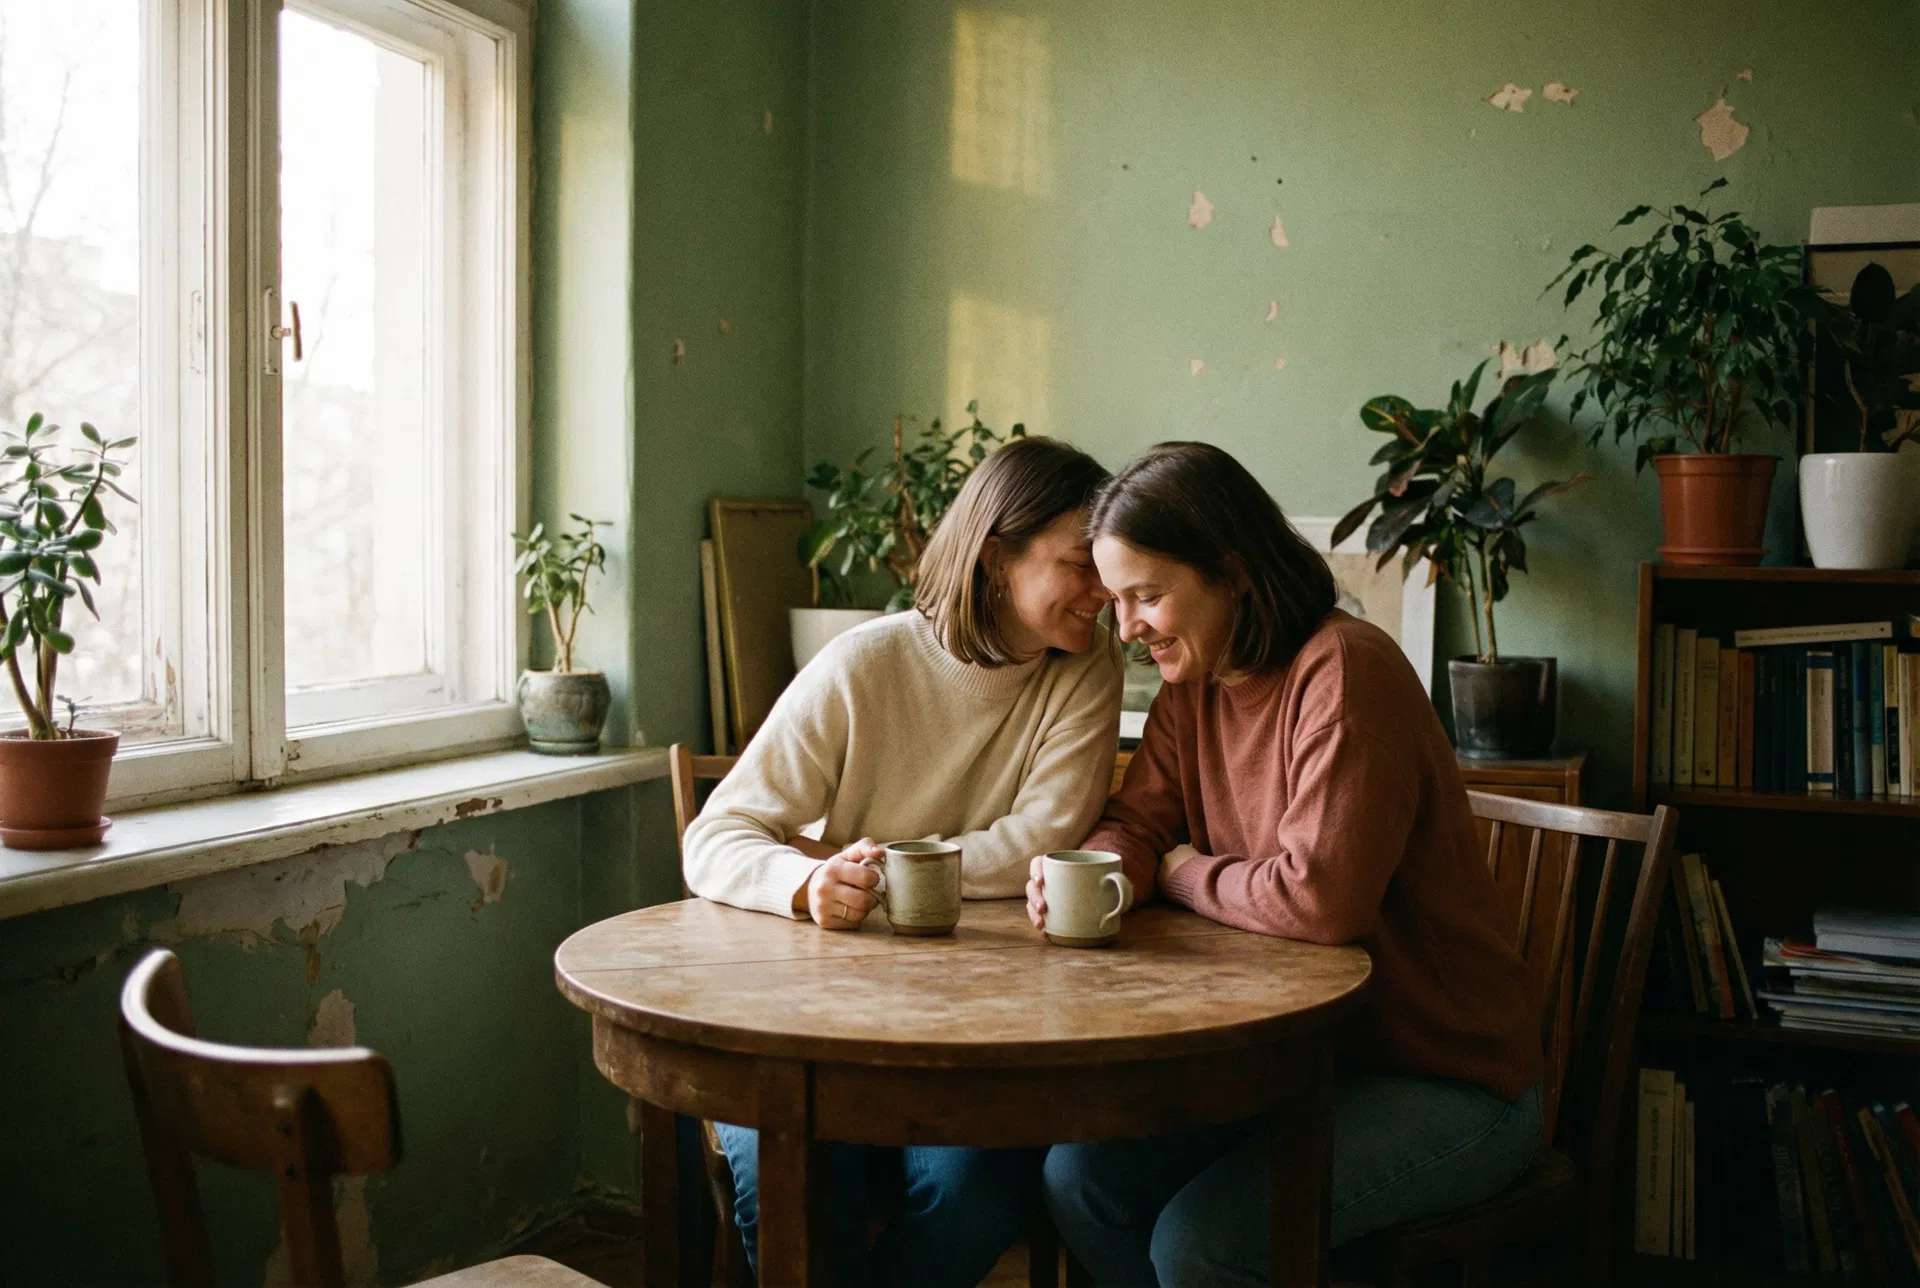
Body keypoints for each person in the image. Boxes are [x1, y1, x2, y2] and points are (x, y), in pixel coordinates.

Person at [1028, 441, 1543, 1287]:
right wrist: (1098, 873)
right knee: (1080, 1181)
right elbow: (1137, 822)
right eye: (1118, 601)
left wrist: (1181, 872)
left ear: (1230, 571)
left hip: (1449, 1080)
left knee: (1202, 1244)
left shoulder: (1345, 671)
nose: (1124, 630)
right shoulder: (1190, 686)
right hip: (1302, 1065)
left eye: (1147, 596)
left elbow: (1318, 902)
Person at [684, 434, 1123, 1287]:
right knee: (804, 1176)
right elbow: (718, 833)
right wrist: (805, 879)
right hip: (811, 1016)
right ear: (997, 556)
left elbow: (1046, 838)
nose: (1105, 594)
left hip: (978, 1026)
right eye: (1081, 564)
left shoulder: (1085, 668)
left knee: (979, 1190)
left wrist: (876, 877)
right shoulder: (864, 662)